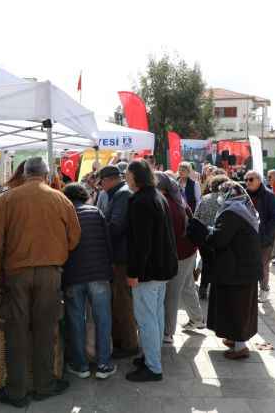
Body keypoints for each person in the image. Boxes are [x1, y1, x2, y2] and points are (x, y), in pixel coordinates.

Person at [0, 157, 81, 407]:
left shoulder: (6, 198)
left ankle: (16, 391)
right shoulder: (61, 198)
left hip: (16, 274)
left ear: (25, 174)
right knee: (46, 330)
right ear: (47, 174)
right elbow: (74, 238)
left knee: (15, 331)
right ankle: (44, 385)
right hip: (51, 273)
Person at [125, 160, 178, 382]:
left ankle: (153, 367)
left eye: (127, 174)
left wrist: (134, 272)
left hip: (149, 271)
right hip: (161, 268)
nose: (125, 177)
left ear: (136, 176)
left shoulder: (141, 201)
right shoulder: (157, 196)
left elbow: (141, 243)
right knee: (154, 316)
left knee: (147, 319)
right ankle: (150, 357)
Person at [61, 183, 116, 380]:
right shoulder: (96, 212)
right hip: (99, 274)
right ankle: (103, 364)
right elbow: (108, 244)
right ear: (84, 196)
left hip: (73, 275)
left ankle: (80, 365)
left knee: (76, 320)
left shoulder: (64, 214)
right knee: (103, 319)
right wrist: (110, 268)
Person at [201, 182, 261, 360]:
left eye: (221, 193)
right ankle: (234, 339)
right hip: (244, 268)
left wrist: (208, 231)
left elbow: (220, 240)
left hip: (236, 270)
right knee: (239, 306)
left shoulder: (231, 213)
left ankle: (240, 347)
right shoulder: (244, 209)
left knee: (236, 308)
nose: (219, 197)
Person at [156, 172, 205, 344]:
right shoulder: (178, 199)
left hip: (180, 254)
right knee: (187, 286)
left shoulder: (166, 204)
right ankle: (198, 319)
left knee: (172, 294)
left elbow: (171, 235)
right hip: (189, 251)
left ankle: (168, 332)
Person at [97, 165, 139, 359]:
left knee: (122, 303)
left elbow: (116, 226)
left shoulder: (122, 194)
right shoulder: (117, 193)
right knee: (118, 302)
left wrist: (97, 229)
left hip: (122, 258)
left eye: (102, 181)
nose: (100, 185)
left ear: (110, 179)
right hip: (119, 256)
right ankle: (122, 341)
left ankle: (129, 345)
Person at [245, 171, 275, 303]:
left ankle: (264, 289)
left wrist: (265, 232)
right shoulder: (245, 195)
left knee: (263, 265)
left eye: (251, 179)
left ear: (259, 180)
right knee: (250, 265)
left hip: (264, 238)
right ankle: (252, 290)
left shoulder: (269, 195)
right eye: (246, 180)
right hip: (248, 237)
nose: (248, 182)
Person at [194, 175, 230, 300]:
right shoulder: (227, 200)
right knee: (219, 264)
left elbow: (196, 217)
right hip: (219, 236)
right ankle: (217, 291)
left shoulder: (204, 199)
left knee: (206, 263)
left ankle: (203, 288)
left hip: (204, 238)